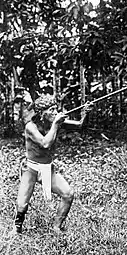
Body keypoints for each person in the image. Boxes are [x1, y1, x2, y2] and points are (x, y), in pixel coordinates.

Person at [14, 94, 93, 234]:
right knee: (22, 205)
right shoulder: (30, 127)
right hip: (30, 169)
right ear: (41, 114)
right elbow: (45, 144)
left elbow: (80, 126)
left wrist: (85, 113)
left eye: (55, 109)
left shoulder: (54, 122)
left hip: (47, 169)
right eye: (51, 110)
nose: (55, 112)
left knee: (68, 194)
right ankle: (17, 229)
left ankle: (57, 226)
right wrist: (56, 123)